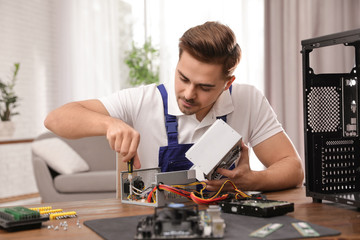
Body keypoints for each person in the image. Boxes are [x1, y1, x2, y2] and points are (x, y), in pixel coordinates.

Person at [45, 21, 303, 192]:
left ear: (227, 83)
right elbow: (56, 119)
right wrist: (109, 123)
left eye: (205, 87)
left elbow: (293, 168)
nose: (188, 94)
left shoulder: (248, 99)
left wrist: (251, 180)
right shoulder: (141, 101)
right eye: (183, 78)